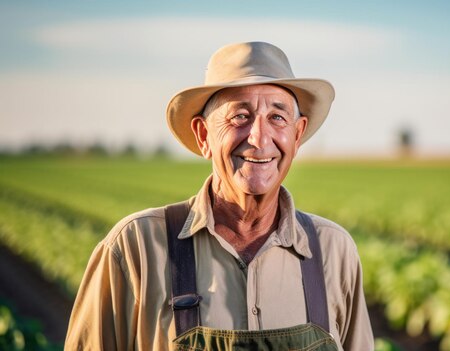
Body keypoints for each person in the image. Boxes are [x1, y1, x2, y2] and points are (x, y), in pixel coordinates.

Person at [64, 41, 374, 350]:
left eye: (277, 117)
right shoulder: (136, 248)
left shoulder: (333, 251)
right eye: (240, 116)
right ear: (203, 136)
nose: (259, 137)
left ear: (296, 135)